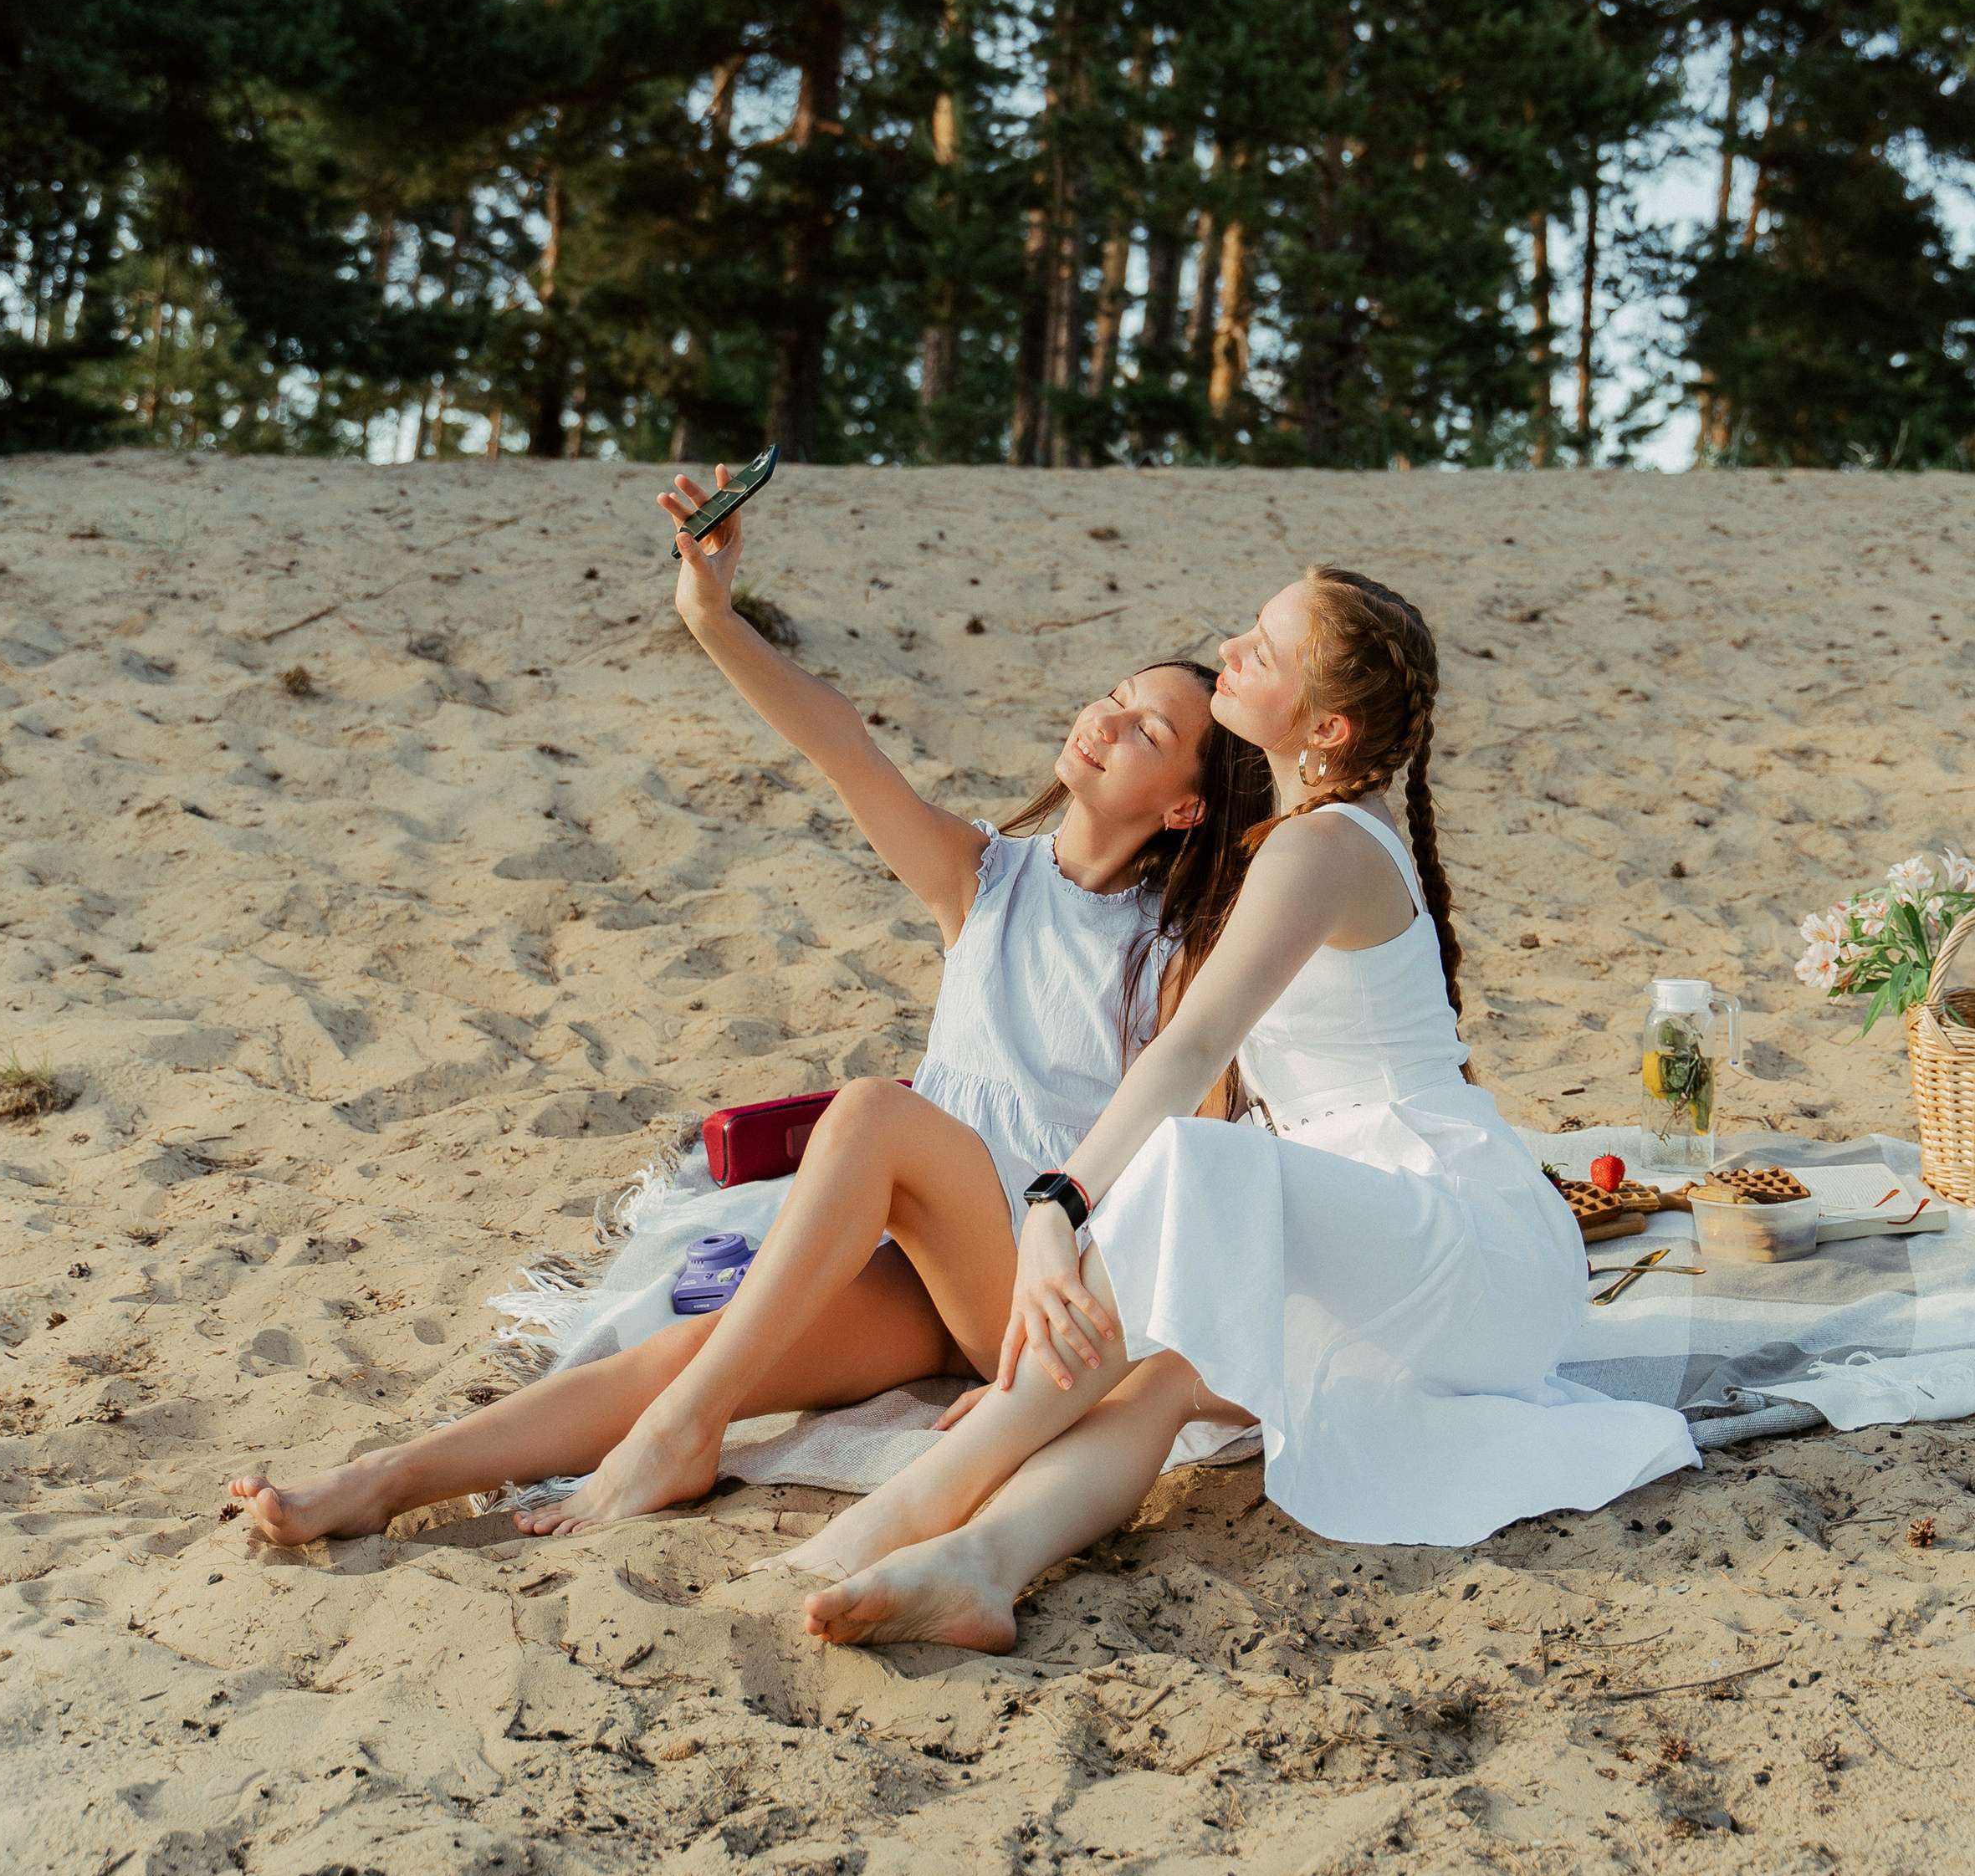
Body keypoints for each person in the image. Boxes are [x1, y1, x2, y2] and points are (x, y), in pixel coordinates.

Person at [228, 468, 1270, 1547]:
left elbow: (1193, 1173)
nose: (1107, 722)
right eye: (1117, 696)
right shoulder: (983, 878)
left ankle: (682, 1436)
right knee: (696, 1348)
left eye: (1148, 732)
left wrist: (1065, 1380)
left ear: (1187, 805)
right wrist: (711, 614)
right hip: (935, 1276)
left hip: (1041, 1286)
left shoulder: (1185, 953)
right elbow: (841, 743)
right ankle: (383, 1482)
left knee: (871, 1112)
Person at [773, 567, 1698, 1651]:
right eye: (1248, 628)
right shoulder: (1298, 835)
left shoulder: (1323, 845)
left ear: (1328, 725)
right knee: (1162, 1377)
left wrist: (1056, 1204)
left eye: (1266, 649)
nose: (1231, 648)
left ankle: (922, 1500)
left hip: (1462, 1247)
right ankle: (981, 1562)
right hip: (1381, 1235)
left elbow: (1195, 1047)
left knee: (1191, 1173)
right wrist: (1070, 1359)